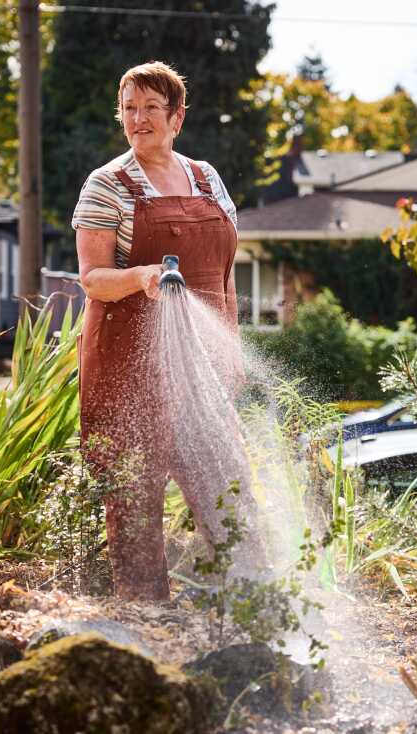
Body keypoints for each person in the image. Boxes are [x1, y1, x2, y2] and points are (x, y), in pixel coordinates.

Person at [73, 61, 262, 601]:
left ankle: (247, 603)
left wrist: (232, 348)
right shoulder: (107, 185)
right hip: (129, 365)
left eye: (151, 108)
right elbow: (92, 278)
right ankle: (146, 617)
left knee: (227, 487)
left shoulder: (207, 178)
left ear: (177, 118)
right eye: (129, 108)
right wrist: (141, 276)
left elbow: (224, 274)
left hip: (202, 368)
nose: (138, 119)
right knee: (134, 496)